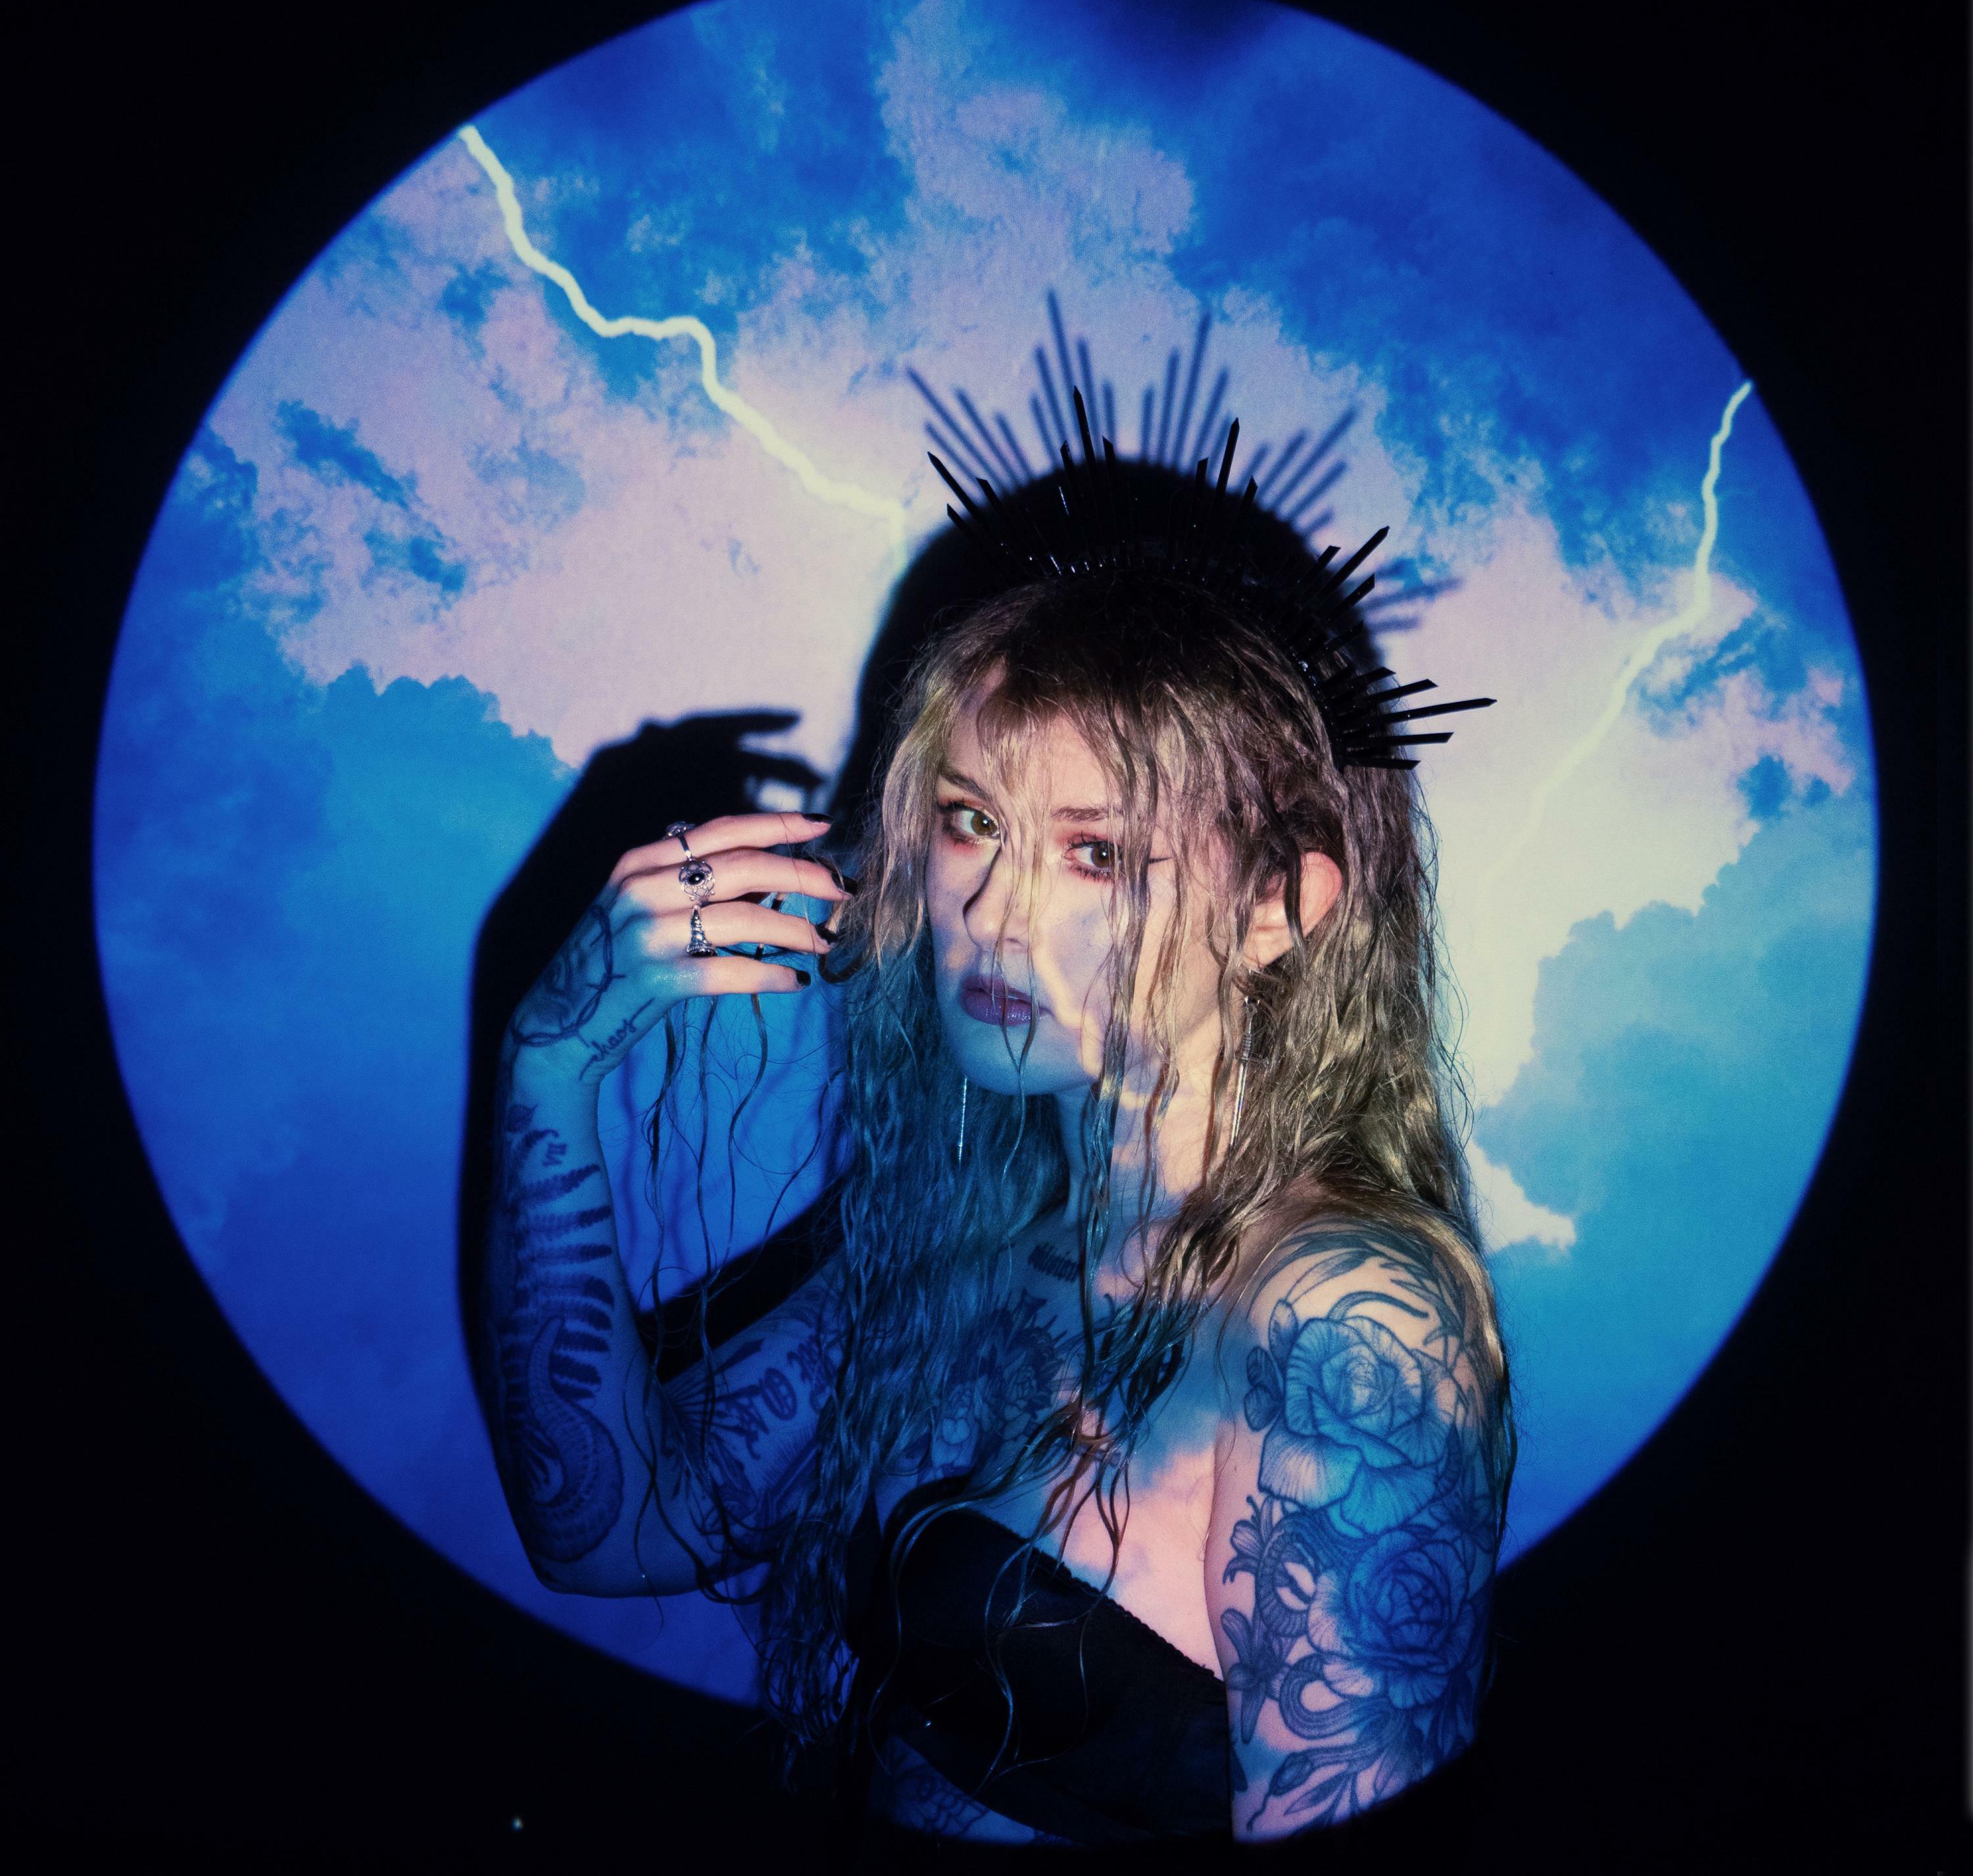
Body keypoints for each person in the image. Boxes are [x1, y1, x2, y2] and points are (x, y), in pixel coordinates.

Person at [472, 417, 1514, 1850]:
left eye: (1095, 851)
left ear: (1277, 909)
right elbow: (608, 1530)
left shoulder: (1343, 1325)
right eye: (971, 821)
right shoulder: (981, 1247)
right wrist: (548, 1068)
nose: (991, 912)